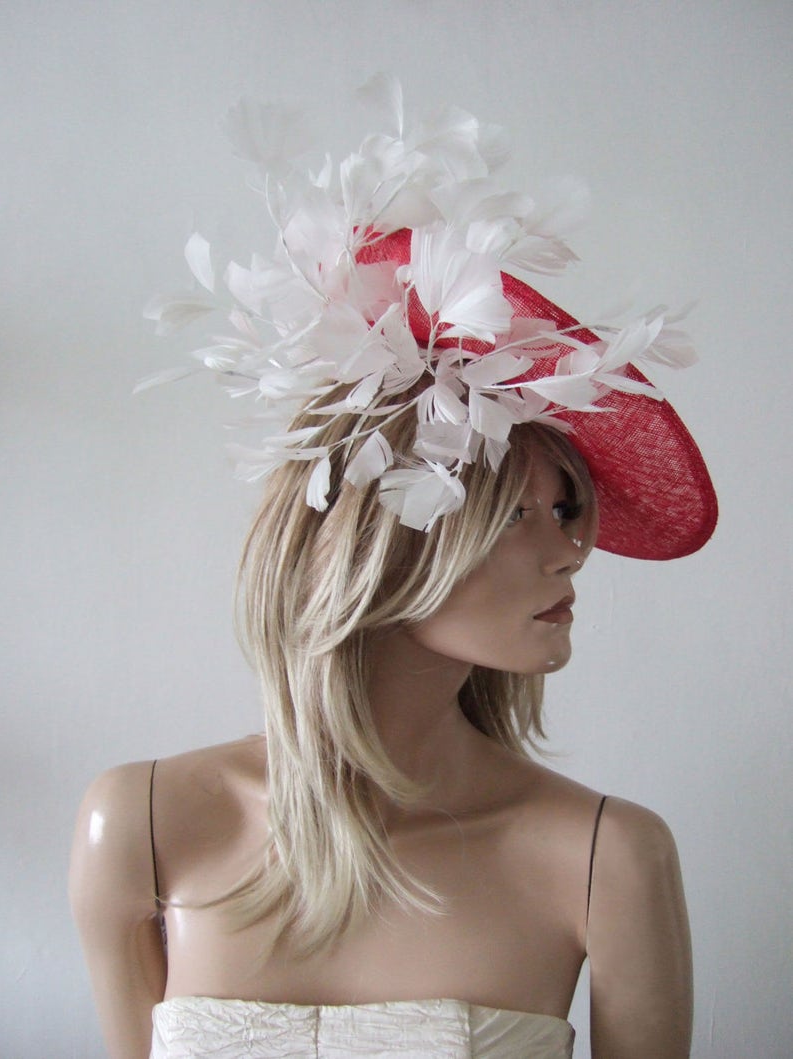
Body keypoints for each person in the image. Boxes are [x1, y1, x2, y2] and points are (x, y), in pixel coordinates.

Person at [69, 80, 717, 1058]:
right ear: (379, 539)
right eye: (515, 516)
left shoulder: (603, 858)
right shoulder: (145, 824)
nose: (568, 550)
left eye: (565, 510)